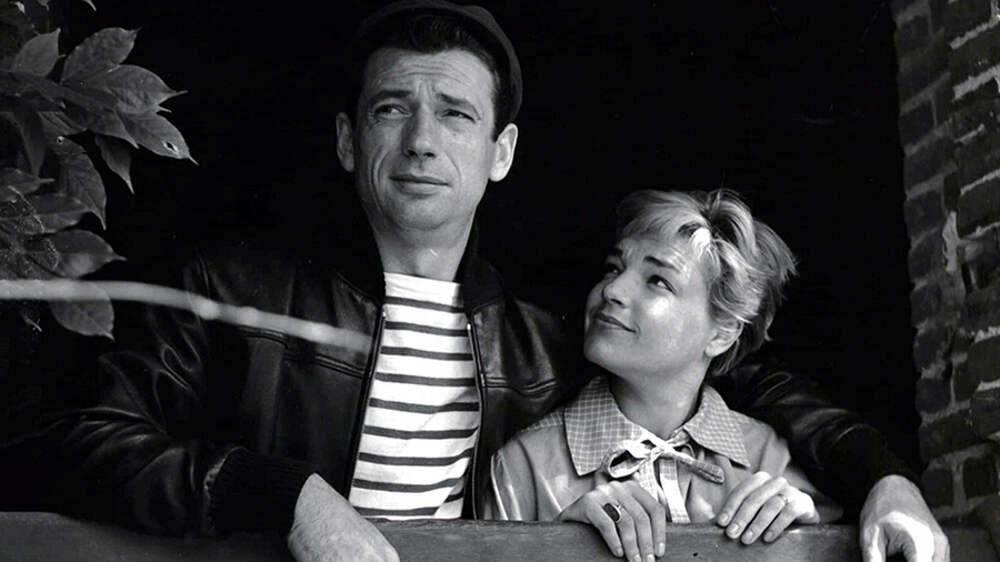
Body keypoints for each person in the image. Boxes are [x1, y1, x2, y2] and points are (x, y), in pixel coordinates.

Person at [39, 2, 948, 562]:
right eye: (392, 109)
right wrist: (290, 495)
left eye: (456, 114)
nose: (421, 141)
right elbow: (82, 440)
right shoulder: (235, 289)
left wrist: (884, 480)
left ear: (500, 151)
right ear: (350, 140)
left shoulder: (542, 336)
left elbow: (729, 371)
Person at [486, 189, 842, 559]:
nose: (612, 289)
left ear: (722, 334)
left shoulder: (771, 460)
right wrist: (558, 549)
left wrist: (812, 540)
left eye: (658, 280)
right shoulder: (524, 465)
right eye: (614, 268)